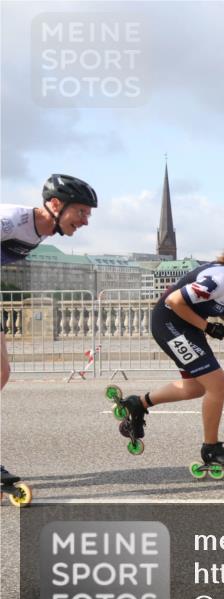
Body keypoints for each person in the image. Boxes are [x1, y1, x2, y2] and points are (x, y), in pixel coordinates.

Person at [108, 233, 224, 481]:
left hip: (186, 325)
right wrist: (208, 328)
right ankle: (211, 448)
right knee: (217, 384)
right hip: (169, 321)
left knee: (195, 388)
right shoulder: (221, 277)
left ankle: (138, 404)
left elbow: (221, 304)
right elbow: (174, 300)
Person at [1, 174, 98, 505]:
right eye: (81, 212)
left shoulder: (40, 232)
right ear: (55, 204)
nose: (85, 221)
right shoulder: (11, 220)